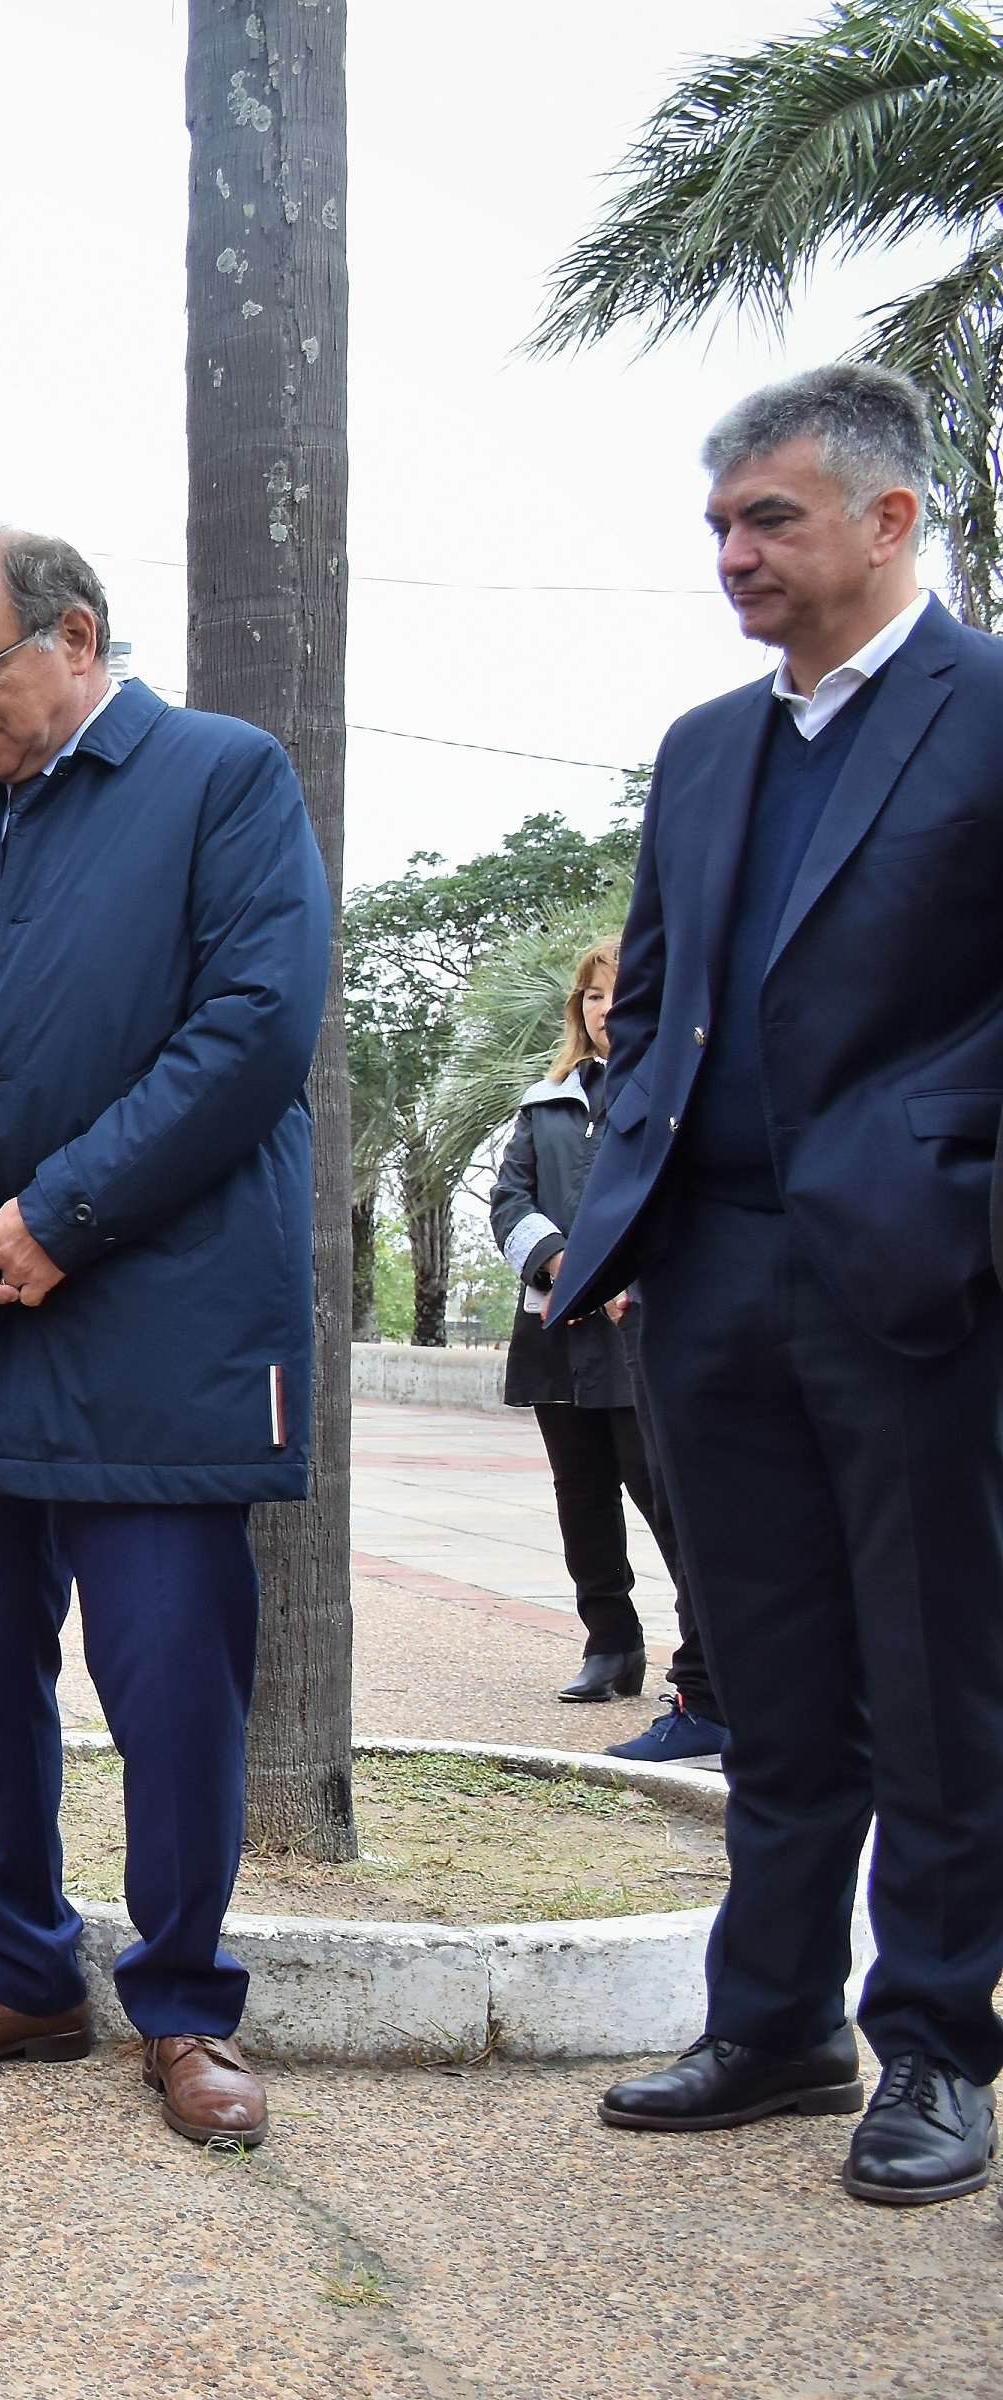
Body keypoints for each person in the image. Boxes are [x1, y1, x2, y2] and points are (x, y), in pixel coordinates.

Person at [546, 363, 1003, 2208]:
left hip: (918, 1283)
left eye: (772, 521)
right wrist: (636, 1215)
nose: (734, 555)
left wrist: (961, 1197)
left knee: (939, 1673)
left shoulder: (989, 718)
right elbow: (649, 995)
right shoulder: (705, 746)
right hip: (710, 1278)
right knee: (778, 1675)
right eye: (721, 526)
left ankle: (941, 2048)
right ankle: (776, 2025)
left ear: (893, 521)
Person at [0, 522, 329, 2152]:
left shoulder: (222, 779)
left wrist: (57, 1219)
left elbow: (255, 1029)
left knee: (171, 1686)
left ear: (74, 637)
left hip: (159, 1325)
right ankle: (20, 1971)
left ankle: (185, 2006)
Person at [488, 936, 722, 1757]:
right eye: (592, 997)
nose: (604, 1011)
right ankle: (610, 1645)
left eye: (620, 996)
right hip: (560, 1332)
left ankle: (709, 1666)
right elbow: (508, 1200)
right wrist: (568, 1267)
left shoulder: (671, 1094)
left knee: (667, 1501)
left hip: (638, 1334)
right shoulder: (544, 1103)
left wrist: (622, 1279)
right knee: (581, 1501)